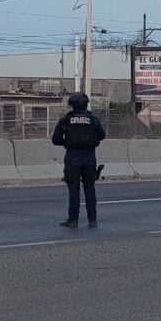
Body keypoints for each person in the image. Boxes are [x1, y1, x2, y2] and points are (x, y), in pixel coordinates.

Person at [52, 92, 106, 228]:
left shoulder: (66, 120)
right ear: (85, 104)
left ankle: (73, 219)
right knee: (89, 188)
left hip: (72, 156)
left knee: (73, 189)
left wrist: (68, 142)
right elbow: (102, 135)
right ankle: (92, 220)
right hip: (89, 156)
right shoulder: (92, 119)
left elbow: (55, 140)